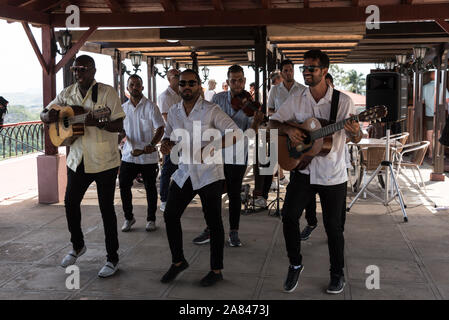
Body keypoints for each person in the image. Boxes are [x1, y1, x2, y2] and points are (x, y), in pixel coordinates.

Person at [269, 50, 362, 294]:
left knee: (333, 227)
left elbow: (356, 136)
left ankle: (337, 274)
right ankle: (295, 263)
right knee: (288, 216)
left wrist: (354, 131)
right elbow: (273, 122)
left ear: (324, 71)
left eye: (312, 68)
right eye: (305, 68)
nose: (307, 72)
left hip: (332, 174)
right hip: (303, 170)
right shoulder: (297, 99)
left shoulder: (342, 101)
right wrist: (289, 131)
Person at [40, 55, 125, 278]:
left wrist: (100, 122)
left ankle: (112, 258)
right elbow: (45, 114)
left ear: (93, 71)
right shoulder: (67, 93)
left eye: (82, 69)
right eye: (75, 69)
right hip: (77, 159)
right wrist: (48, 115)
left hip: (104, 161)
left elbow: (118, 125)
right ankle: (78, 246)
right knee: (69, 203)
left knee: (107, 210)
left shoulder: (107, 93)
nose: (78, 73)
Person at [160, 69, 239, 287]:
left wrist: (212, 146)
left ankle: (216, 270)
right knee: (170, 215)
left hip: (208, 173)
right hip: (185, 171)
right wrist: (166, 144)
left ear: (199, 86)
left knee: (213, 223)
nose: (186, 87)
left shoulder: (211, 110)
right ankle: (178, 261)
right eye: (183, 83)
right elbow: (169, 135)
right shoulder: (174, 111)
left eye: (191, 83)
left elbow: (236, 133)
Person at [192, 65, 264, 247]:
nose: (237, 84)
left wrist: (256, 121)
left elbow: (251, 134)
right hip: (216, 153)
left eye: (240, 80)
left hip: (238, 155)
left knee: (234, 194)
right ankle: (210, 229)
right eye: (233, 80)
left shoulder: (252, 103)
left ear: (245, 81)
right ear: (228, 81)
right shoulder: (217, 98)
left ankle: (234, 232)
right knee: (211, 194)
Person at [119, 74, 165, 232]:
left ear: (142, 87)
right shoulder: (123, 109)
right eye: (131, 85)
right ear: (127, 88)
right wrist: (120, 137)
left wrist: (152, 144)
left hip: (148, 157)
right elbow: (121, 130)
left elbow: (160, 128)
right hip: (129, 155)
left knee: (150, 188)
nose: (135, 87)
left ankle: (151, 219)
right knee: (124, 185)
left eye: (137, 84)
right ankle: (128, 217)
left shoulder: (151, 106)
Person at [267, 60, 306, 191]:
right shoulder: (274, 89)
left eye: (291, 70)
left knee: (297, 158)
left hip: (297, 129)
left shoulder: (302, 89)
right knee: (274, 156)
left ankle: (296, 187)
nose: (289, 73)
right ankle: (269, 186)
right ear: (281, 72)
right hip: (280, 128)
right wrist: (279, 113)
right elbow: (269, 109)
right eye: (286, 70)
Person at [157, 69, 181, 212]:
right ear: (169, 79)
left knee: (181, 169)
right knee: (168, 169)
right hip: (172, 138)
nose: (179, 78)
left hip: (182, 137)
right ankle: (164, 199)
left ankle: (176, 196)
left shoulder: (181, 94)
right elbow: (167, 119)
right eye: (176, 76)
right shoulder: (165, 96)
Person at [422, 71, 449, 159]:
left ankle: (430, 153)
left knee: (429, 132)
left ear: (431, 76)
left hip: (429, 112)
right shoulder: (442, 86)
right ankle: (437, 153)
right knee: (438, 132)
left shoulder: (424, 87)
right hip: (440, 113)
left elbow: (422, 101)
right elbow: (447, 100)